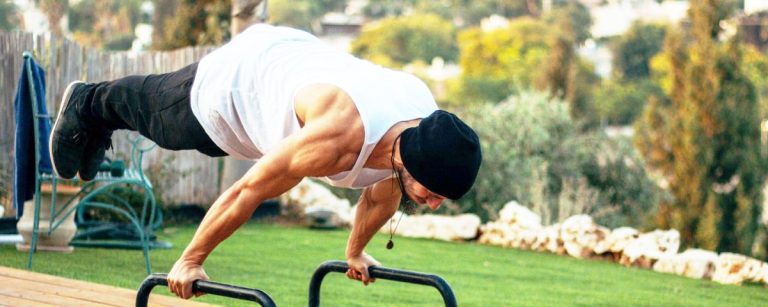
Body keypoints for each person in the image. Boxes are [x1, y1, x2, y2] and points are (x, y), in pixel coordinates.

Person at [50, 24, 481, 299]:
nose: (434, 203)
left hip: (298, 62)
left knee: (183, 132)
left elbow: (380, 196)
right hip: (241, 82)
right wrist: (191, 259)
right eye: (433, 193)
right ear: (408, 161)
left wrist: (356, 253)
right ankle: (88, 103)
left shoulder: (423, 132)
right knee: (164, 121)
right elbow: (248, 191)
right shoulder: (337, 135)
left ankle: (96, 116)